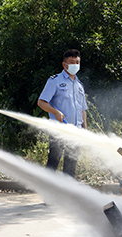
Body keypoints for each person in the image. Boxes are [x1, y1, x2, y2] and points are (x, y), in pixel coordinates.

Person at [37, 49, 88, 178]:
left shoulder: (79, 85)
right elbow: (41, 102)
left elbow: (83, 109)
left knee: (71, 166)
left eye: (77, 62)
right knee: (53, 163)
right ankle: (48, 194)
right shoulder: (55, 81)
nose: (75, 65)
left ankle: (67, 196)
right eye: (72, 62)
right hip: (58, 130)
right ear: (64, 64)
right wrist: (56, 112)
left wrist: (85, 129)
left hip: (76, 132)